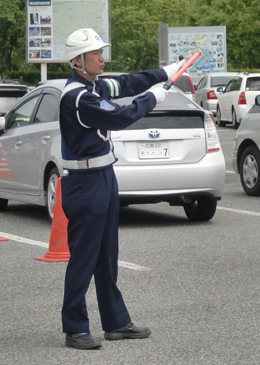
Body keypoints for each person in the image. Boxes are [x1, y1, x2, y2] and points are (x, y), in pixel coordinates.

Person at [59, 28, 184, 350]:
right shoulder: (78, 97)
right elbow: (120, 117)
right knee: (84, 258)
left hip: (102, 175)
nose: (102, 57)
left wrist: (162, 73)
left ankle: (115, 322)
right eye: (95, 53)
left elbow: (125, 83)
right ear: (77, 60)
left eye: (102, 51)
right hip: (84, 182)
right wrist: (152, 98)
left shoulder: (94, 85)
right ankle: (75, 327)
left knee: (107, 256)